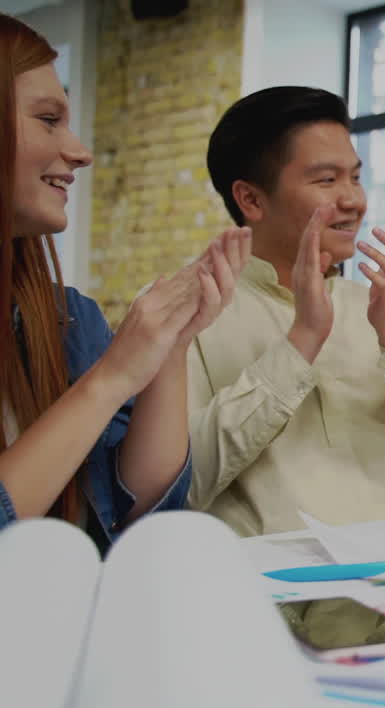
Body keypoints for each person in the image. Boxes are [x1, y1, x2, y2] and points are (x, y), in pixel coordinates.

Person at [0, 15, 248, 548]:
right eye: (48, 119)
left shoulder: (69, 318)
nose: (81, 151)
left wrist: (170, 348)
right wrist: (112, 376)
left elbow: (137, 512)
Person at [187, 86, 385, 537]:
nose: (354, 200)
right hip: (283, 596)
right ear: (251, 200)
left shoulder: (384, 307)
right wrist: (302, 340)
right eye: (326, 180)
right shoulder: (186, 314)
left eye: (355, 178)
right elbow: (182, 483)